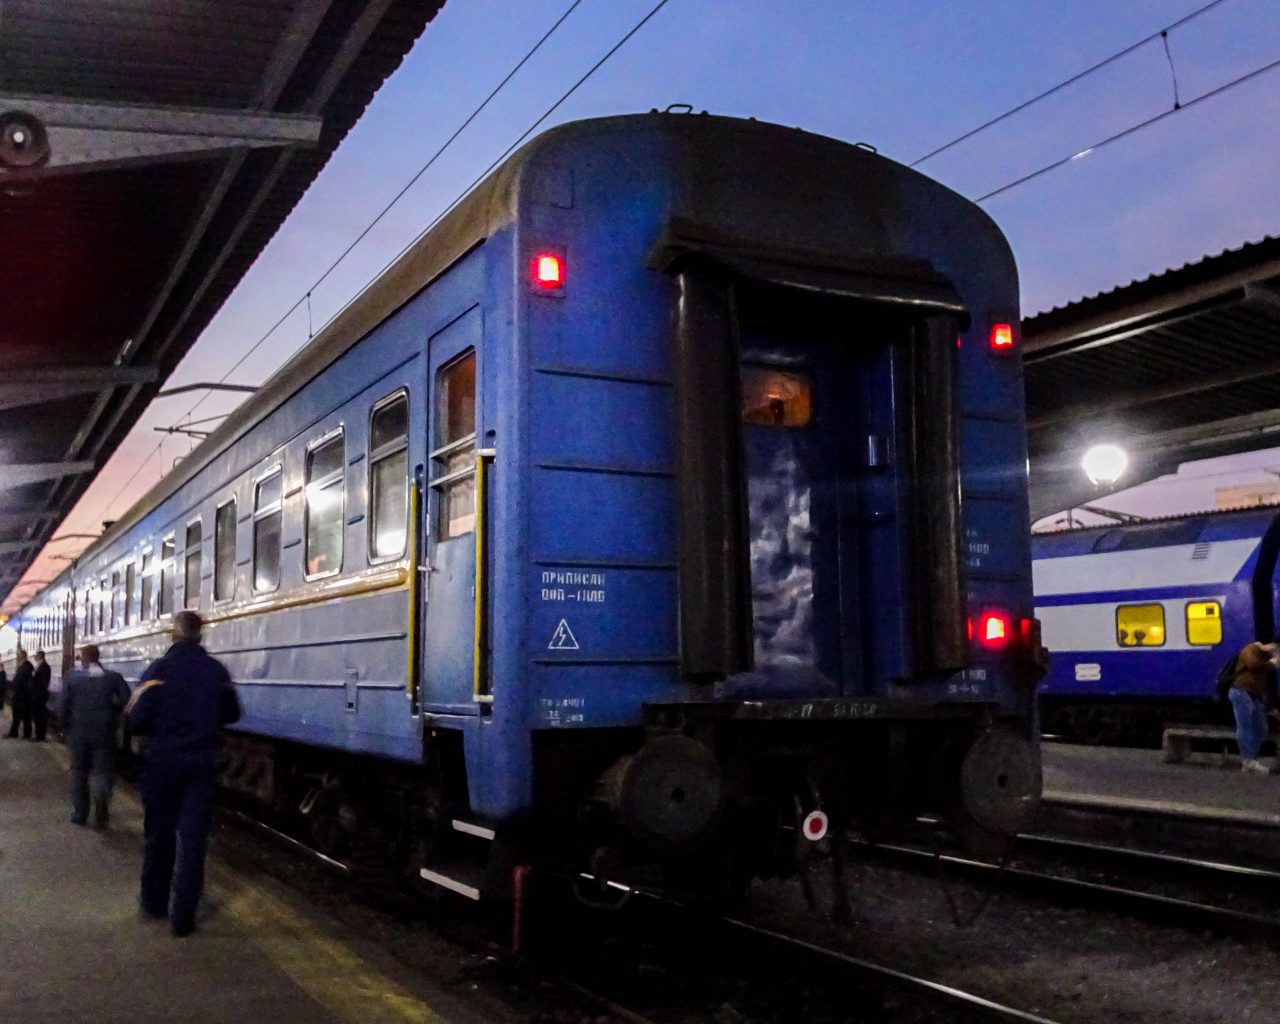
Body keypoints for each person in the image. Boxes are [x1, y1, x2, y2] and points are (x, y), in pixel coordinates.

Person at [126, 611, 240, 937]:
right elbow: (232, 713)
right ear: (200, 635)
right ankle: (183, 918)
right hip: (201, 764)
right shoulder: (216, 671)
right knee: (193, 841)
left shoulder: (157, 670)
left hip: (161, 763)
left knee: (159, 834)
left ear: (173, 635)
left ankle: (153, 902)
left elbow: (134, 719)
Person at [60, 644, 131, 830]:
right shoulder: (113, 677)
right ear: (98, 657)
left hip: (79, 734)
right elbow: (127, 701)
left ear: (82, 658)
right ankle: (101, 816)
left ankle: (80, 814)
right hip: (105, 734)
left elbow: (62, 707)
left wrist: (66, 728)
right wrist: (112, 712)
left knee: (79, 773)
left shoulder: (72, 678)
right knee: (103, 774)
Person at [1230, 640, 1279, 774]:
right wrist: (1272, 663)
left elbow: (1262, 686)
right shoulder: (1252, 649)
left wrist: (1270, 707)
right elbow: (1253, 665)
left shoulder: (1263, 660)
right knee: (1245, 726)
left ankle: (1250, 758)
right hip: (1241, 692)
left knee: (1261, 728)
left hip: (1253, 695)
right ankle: (1248, 760)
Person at [7, 649, 33, 739]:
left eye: (19, 655)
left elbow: (25, 682)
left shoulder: (27, 666)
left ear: (23, 656)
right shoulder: (23, 666)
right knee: (17, 716)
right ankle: (13, 733)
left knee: (25, 716)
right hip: (19, 696)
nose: (18, 657)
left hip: (23, 697)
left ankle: (26, 734)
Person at [30, 650, 51, 741]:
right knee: (37, 716)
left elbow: (42, 683)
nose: (35, 657)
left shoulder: (45, 667)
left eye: (36, 655)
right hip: (37, 695)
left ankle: (40, 736)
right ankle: (39, 735)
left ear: (40, 656)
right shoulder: (40, 666)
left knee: (39, 716)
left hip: (39, 696)